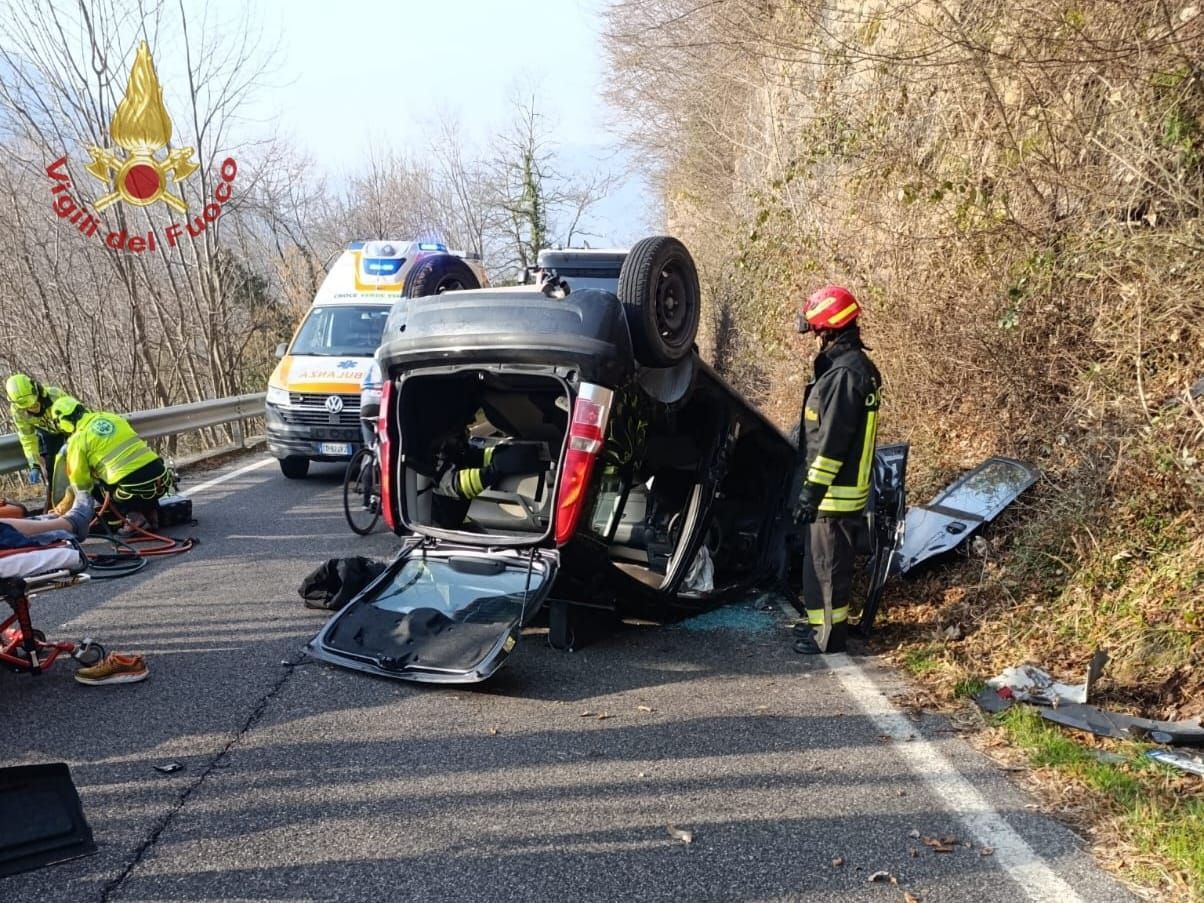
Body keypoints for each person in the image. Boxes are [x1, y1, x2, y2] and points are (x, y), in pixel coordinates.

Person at [791, 284, 882, 655]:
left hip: (835, 492)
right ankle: (820, 628)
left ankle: (828, 638)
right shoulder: (850, 369)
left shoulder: (847, 375)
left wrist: (812, 492)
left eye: (816, 330)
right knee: (819, 566)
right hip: (837, 489)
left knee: (827, 569)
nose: (815, 337)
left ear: (829, 327)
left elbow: (831, 444)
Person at [49, 397, 172, 530]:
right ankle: (151, 513)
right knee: (135, 475)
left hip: (131, 489)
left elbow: (80, 483)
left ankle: (134, 518)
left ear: (64, 421)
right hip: (162, 479)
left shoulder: (78, 439)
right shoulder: (111, 417)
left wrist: (66, 509)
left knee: (94, 486)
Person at [5, 374, 82, 490]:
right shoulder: (18, 412)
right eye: (28, 407)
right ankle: (64, 501)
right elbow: (27, 438)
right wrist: (34, 465)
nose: (33, 407)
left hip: (71, 430)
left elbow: (78, 417)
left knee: (81, 465)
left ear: (35, 389)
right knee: (53, 473)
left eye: (34, 403)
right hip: (49, 434)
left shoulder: (54, 395)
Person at [359, 358, 383, 449]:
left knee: (369, 446)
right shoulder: (388, 363)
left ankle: (368, 456)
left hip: (365, 408)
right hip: (379, 405)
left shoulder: (371, 365)